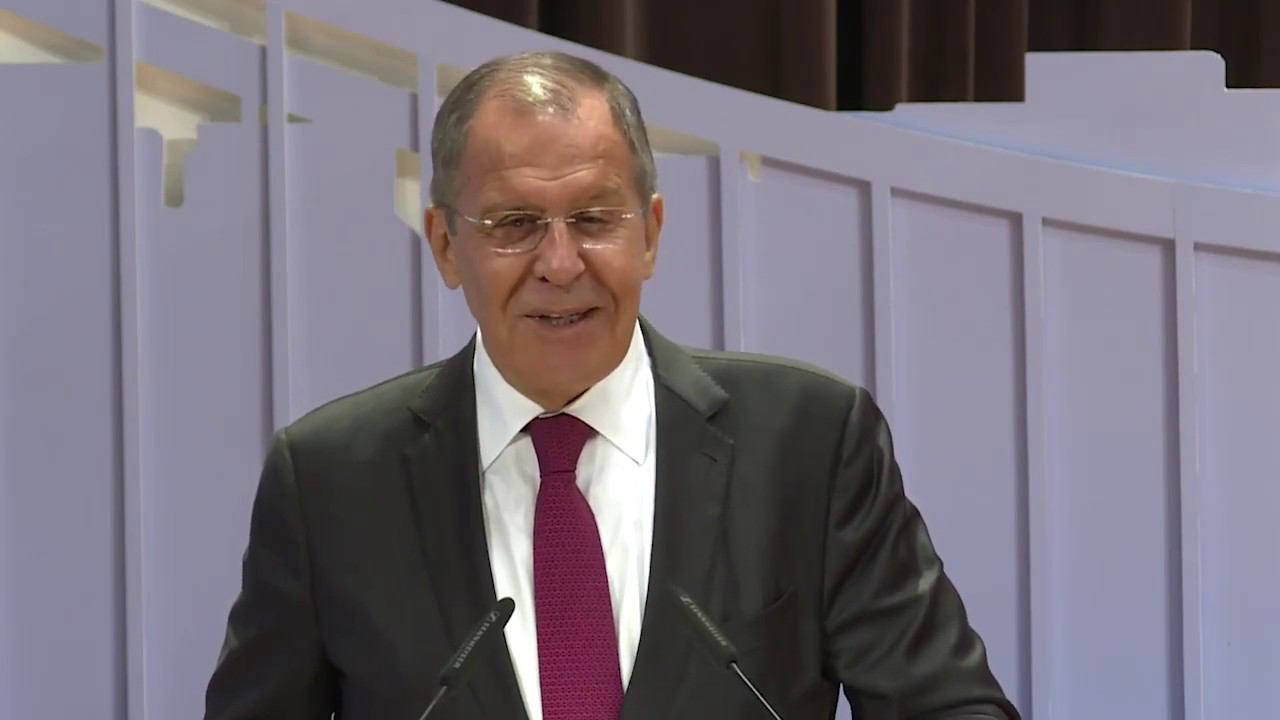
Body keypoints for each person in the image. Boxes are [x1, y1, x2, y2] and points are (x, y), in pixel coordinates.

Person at [205, 51, 1018, 720]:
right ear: (446, 246)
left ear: (651, 234)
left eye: (595, 219)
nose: (561, 265)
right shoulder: (332, 482)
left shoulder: (809, 443)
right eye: (515, 225)